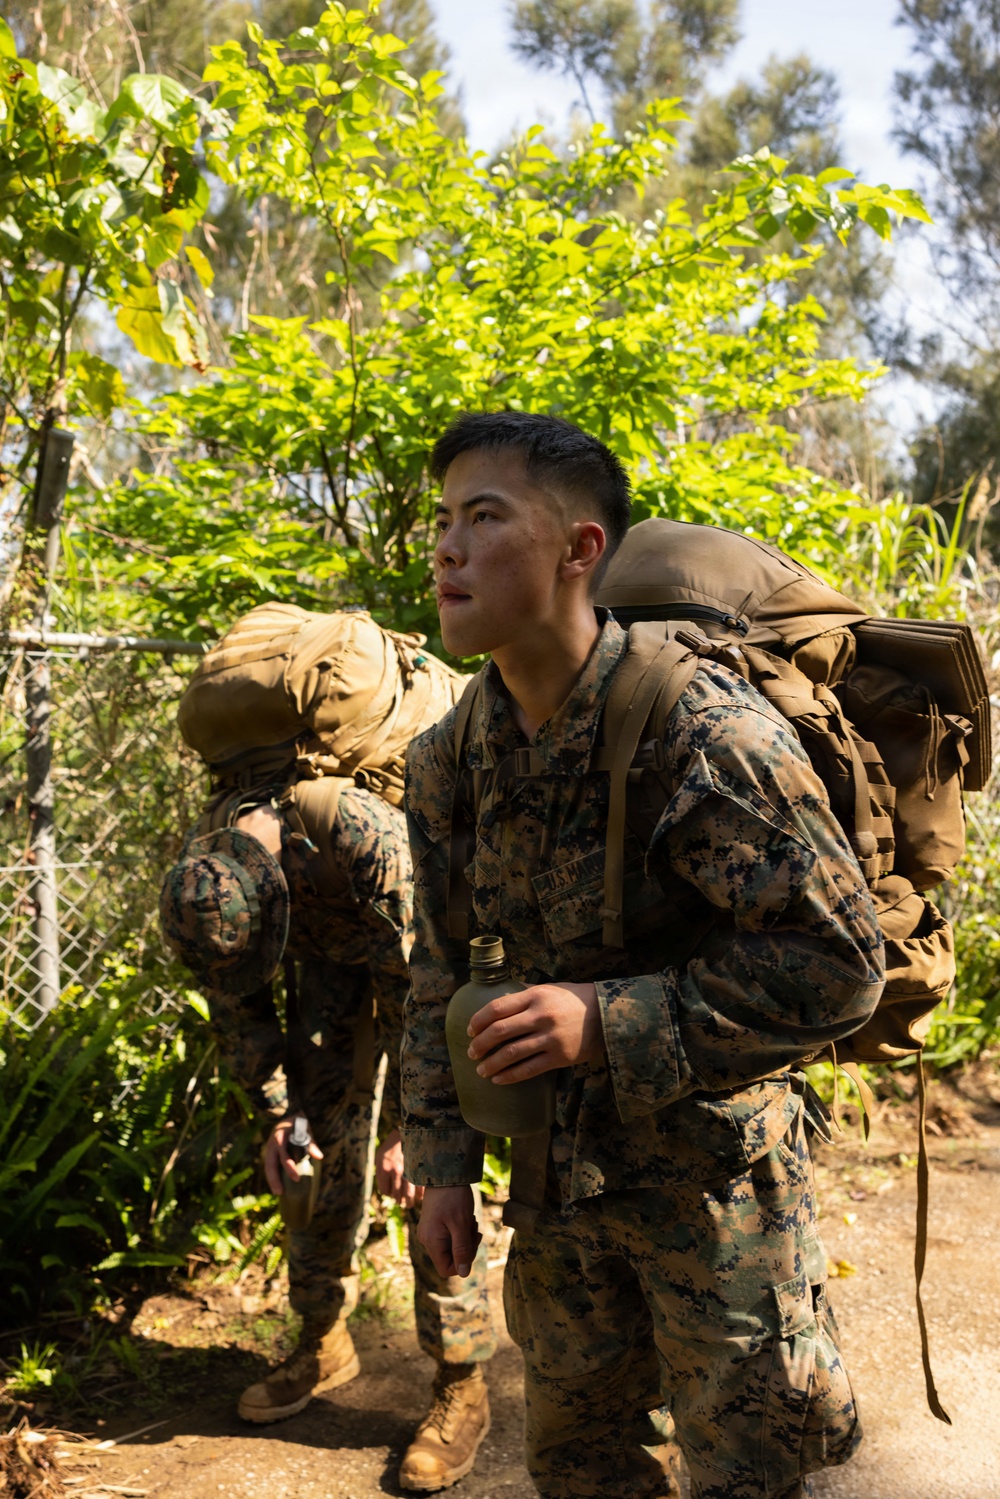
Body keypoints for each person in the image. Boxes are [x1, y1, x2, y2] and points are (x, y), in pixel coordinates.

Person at [400, 411, 886, 1499]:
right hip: (553, 1200)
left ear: (581, 551)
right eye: (442, 520)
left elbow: (841, 960)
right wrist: (438, 1162)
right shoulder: (447, 759)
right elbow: (433, 969)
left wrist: (607, 1019)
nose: (447, 548)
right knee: (577, 1468)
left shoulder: (703, 732)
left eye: (484, 517)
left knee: (741, 1471)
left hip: (715, 1201)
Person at [160, 767, 496, 1493]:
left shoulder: (361, 836)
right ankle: (322, 1337)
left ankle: (462, 1378)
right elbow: (237, 1004)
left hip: (419, 976)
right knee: (312, 1154)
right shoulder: (207, 875)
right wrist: (279, 1111)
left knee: (429, 1175)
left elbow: (427, 987)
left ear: (278, 886)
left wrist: (417, 1126)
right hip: (331, 970)